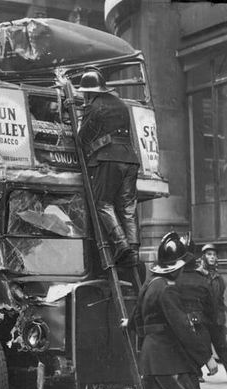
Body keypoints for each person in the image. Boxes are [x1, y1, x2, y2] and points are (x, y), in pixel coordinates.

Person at [131, 232, 218, 389]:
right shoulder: (168, 290)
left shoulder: (149, 284)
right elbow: (182, 328)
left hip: (152, 357)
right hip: (167, 359)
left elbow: (136, 321)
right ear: (178, 266)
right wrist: (207, 359)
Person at [76, 68, 140, 267]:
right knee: (127, 206)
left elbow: (81, 138)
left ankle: (121, 244)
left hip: (108, 158)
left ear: (89, 91)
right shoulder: (121, 104)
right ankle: (134, 250)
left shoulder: (94, 107)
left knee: (103, 203)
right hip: (130, 159)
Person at [171, 234, 217, 389]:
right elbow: (213, 321)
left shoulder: (170, 281)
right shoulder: (202, 282)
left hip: (176, 349)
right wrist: (212, 355)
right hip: (196, 349)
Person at [197, 243, 227, 372]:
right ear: (203, 257)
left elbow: (221, 300)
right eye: (209, 254)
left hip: (216, 318)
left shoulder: (219, 278)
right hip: (202, 317)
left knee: (222, 347)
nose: (212, 257)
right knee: (200, 346)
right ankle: (197, 374)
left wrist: (222, 318)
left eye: (214, 255)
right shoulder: (197, 275)